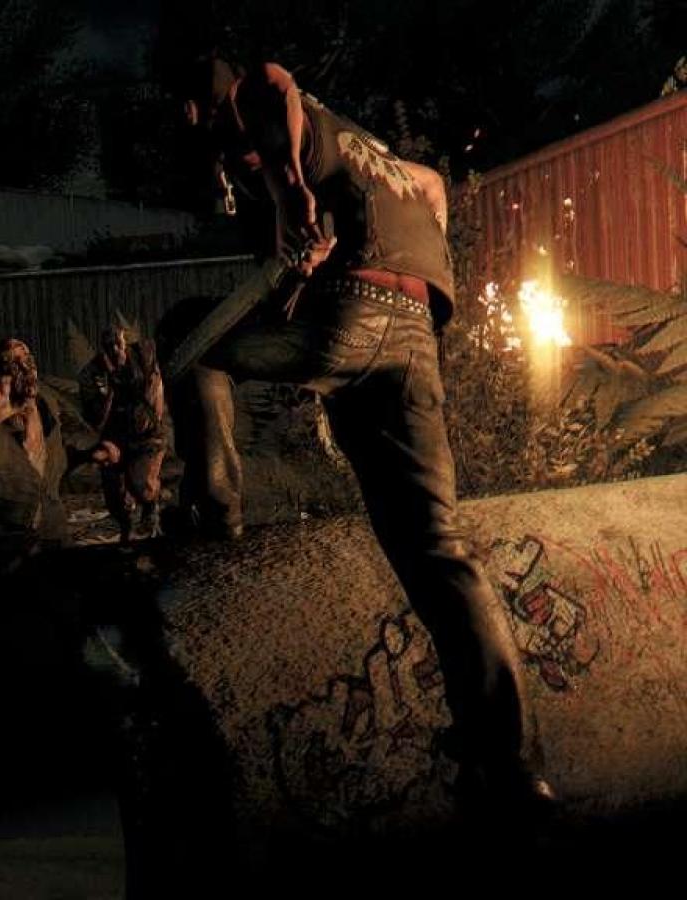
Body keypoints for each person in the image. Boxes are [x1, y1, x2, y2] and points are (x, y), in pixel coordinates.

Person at [164, 56, 553, 816]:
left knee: (185, 334)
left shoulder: (260, 109)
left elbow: (270, 83)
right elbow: (435, 189)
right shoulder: (374, 152)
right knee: (437, 550)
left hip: (349, 321)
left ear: (203, 111)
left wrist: (289, 196)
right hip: (412, 340)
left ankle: (215, 514)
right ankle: (510, 767)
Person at [0, 338, 122, 838]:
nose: (26, 367)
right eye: (14, 363)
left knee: (78, 653)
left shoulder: (46, 412)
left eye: (28, 358)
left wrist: (92, 453)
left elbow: (54, 465)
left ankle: (78, 780)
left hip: (54, 553)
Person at [78, 325, 167, 543]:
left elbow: (155, 389)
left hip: (146, 434)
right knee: (117, 499)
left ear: (125, 342)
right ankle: (127, 529)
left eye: (119, 344)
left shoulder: (144, 357)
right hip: (114, 438)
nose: (116, 350)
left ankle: (152, 509)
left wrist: (153, 418)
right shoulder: (92, 374)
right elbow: (97, 419)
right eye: (110, 346)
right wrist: (111, 386)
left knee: (143, 486)